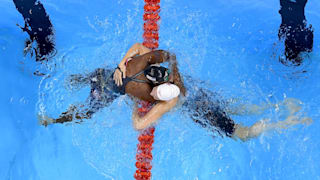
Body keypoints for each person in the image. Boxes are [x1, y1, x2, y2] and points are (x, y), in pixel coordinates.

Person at [39, 43, 185, 130]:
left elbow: (139, 46)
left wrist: (121, 64)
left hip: (101, 74)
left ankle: (73, 81)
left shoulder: (145, 62)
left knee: (88, 77)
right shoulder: (154, 94)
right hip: (104, 94)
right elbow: (138, 125)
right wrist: (135, 104)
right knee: (86, 113)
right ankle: (53, 120)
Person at [278, 0, 313, 65]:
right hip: (290, 12)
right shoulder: (307, 44)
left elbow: (310, 32)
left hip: (295, 13)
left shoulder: (307, 45)